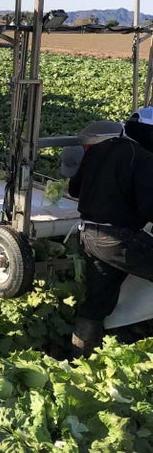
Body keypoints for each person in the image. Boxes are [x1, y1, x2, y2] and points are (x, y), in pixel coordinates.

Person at [68, 108, 153, 357]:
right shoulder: (144, 159)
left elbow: (74, 190)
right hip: (119, 240)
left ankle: (78, 358)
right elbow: (149, 208)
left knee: (97, 303)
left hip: (89, 237)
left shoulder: (99, 150)